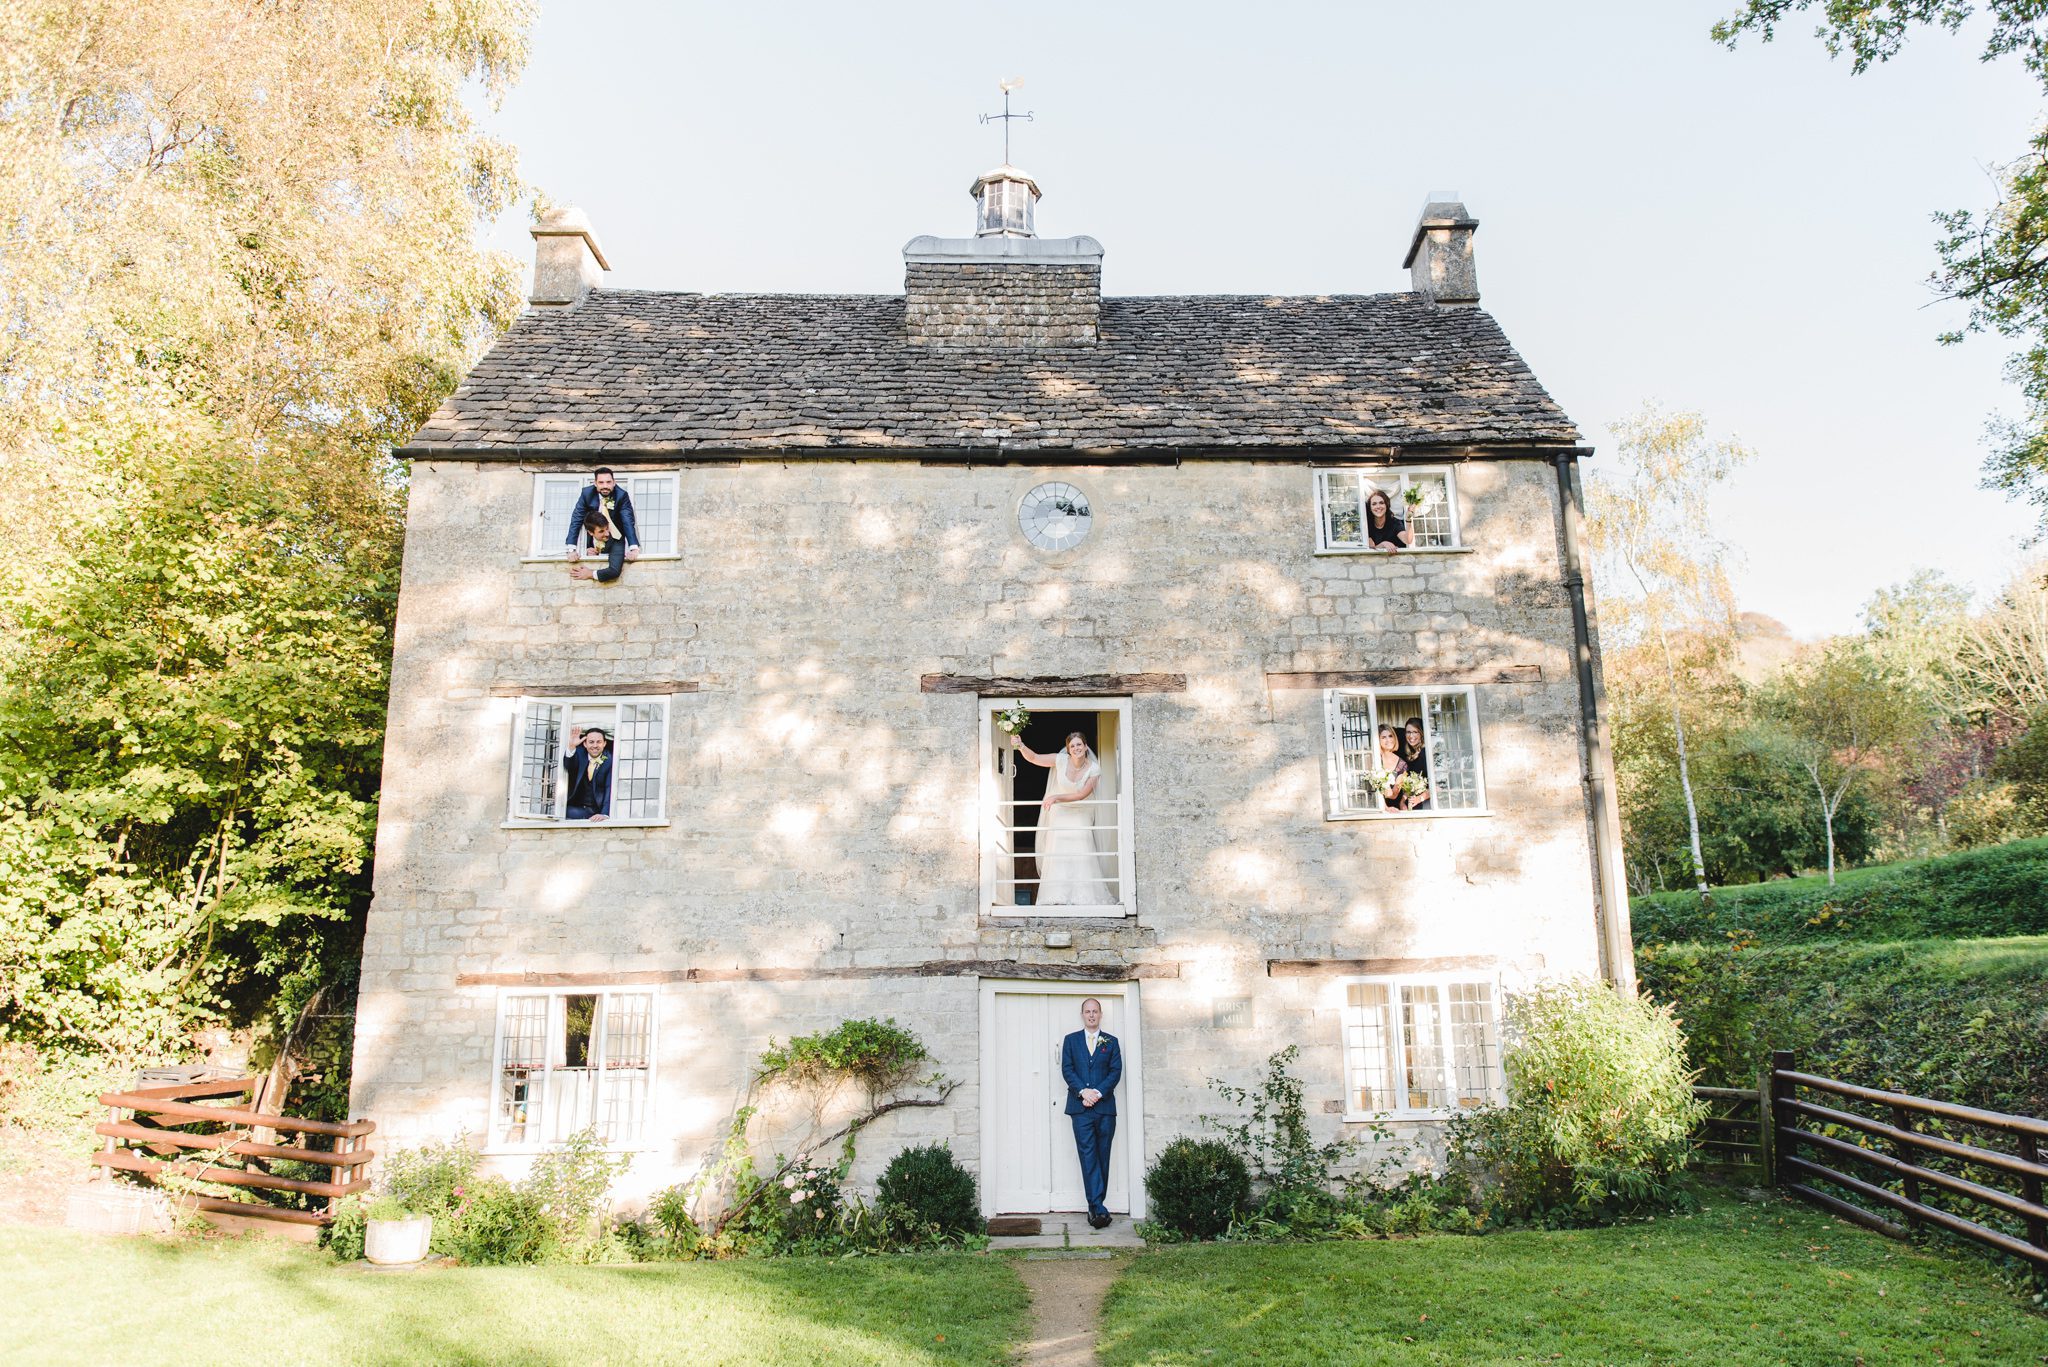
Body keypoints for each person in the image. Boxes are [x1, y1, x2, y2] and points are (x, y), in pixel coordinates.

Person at [1014, 731, 1111, 905]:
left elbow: (1082, 794)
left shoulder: (1094, 769)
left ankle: (1084, 896)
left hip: (1080, 811)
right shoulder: (1061, 760)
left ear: (1086, 747)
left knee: (1081, 847)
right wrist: (1021, 746)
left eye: (1079, 744)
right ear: (1068, 749)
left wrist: (1056, 797)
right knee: (1058, 848)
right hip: (1060, 811)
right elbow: (1034, 758)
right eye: (1072, 746)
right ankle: (1056, 896)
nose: (1076, 748)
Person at [1060, 997, 1122, 1229]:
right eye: (1088, 1011)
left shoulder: (1111, 1042)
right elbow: (1067, 1069)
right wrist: (1082, 1092)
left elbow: (1115, 1071)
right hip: (1080, 1109)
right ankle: (1097, 1207)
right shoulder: (1071, 1040)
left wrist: (1097, 1092)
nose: (1092, 1015)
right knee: (1088, 1155)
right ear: (1082, 1015)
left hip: (1105, 1108)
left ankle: (1095, 1206)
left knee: (1102, 1156)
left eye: (1095, 1011)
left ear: (1101, 1014)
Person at [565, 467, 642, 568]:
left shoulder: (622, 495)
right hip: (593, 540)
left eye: (608, 482)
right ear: (595, 483)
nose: (605, 486)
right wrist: (572, 549)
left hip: (615, 538)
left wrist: (633, 547)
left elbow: (628, 521)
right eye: (601, 482)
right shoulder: (586, 494)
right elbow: (576, 520)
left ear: (614, 483)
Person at [562, 726, 613, 822]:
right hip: (578, 808)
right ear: (585, 744)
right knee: (564, 812)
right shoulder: (580, 753)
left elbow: (609, 788)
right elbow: (568, 766)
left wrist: (604, 814)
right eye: (591, 742)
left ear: (604, 743)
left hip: (597, 809)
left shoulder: (609, 760)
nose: (595, 746)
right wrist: (572, 746)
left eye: (599, 742)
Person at [567, 513, 624, 585]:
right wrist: (584, 551)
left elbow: (614, 571)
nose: (607, 534)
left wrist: (590, 574)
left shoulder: (617, 538)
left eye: (607, 528)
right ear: (590, 532)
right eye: (601, 531)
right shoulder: (582, 538)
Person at [1398, 717, 1432, 811]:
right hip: (1412, 804)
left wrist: (1419, 799)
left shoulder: (1426, 754)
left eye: (1415, 732)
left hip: (1427, 804)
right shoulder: (1409, 756)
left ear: (1421, 733)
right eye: (1408, 732)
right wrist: (1402, 802)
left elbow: (1437, 786)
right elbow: (1408, 785)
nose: (1411, 736)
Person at [1364, 487, 1412, 552]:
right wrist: (1383, 544)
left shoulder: (1394, 523)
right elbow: (1370, 550)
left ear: (1386, 505)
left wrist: (1408, 518)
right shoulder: (1367, 525)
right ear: (1370, 508)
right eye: (1374, 504)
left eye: (1381, 503)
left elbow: (1408, 540)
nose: (1378, 506)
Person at [1375, 723, 1408, 810]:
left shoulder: (1402, 764)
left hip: (1393, 808)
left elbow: (1393, 795)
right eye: (1383, 737)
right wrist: (1384, 807)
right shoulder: (1374, 759)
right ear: (1378, 740)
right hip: (1375, 808)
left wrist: (1385, 785)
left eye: (1390, 736)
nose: (1388, 740)